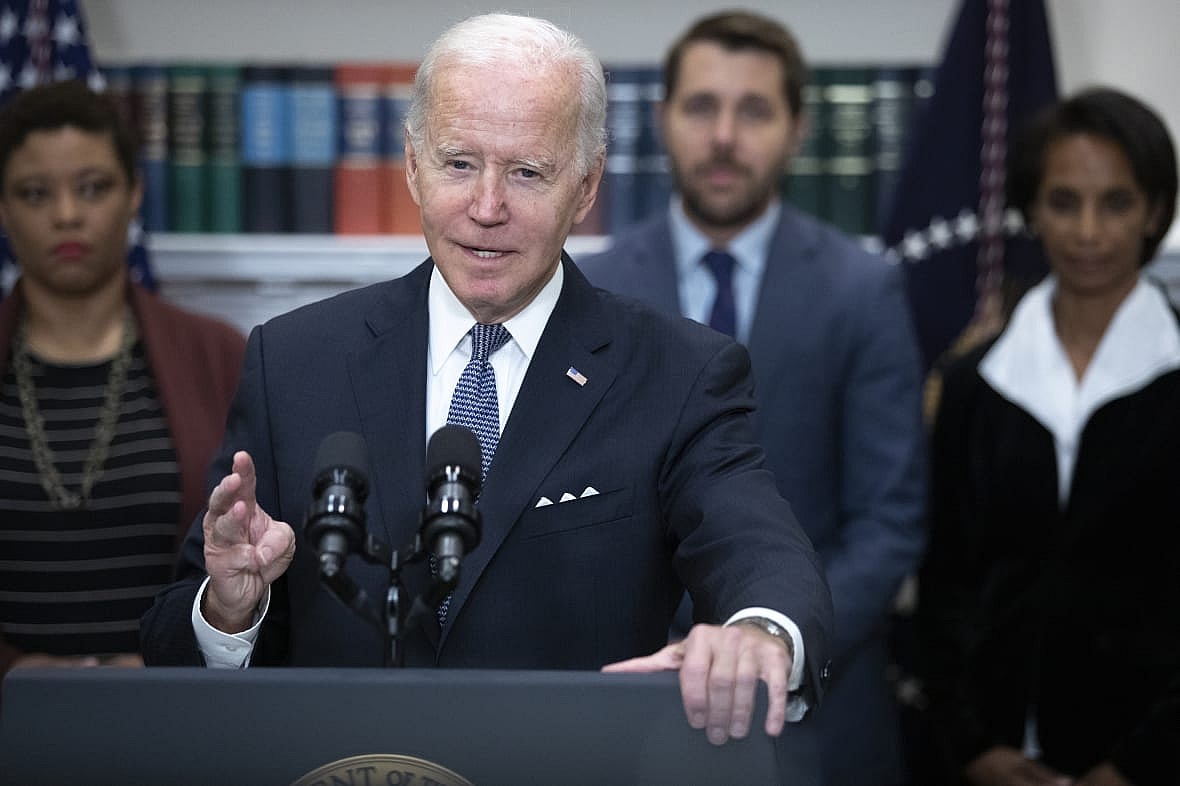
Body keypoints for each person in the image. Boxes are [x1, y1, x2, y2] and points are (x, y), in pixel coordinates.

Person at [140, 12, 834, 749]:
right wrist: (230, 608)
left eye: (528, 171)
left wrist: (761, 632)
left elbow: (762, 550)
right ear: (412, 165)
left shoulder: (679, 373)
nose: (487, 207)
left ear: (587, 184)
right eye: (459, 163)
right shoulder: (295, 360)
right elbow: (174, 638)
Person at [579, 11, 926, 786]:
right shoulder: (591, 290)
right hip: (625, 699)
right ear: (663, 118)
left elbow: (890, 524)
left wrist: (773, 640)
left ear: (797, 128)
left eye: (755, 110)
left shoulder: (863, 292)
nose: (725, 135)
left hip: (813, 715)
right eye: (702, 107)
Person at [916, 86, 1180, 786]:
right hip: (992, 759)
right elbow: (944, 583)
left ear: (1154, 210)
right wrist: (970, 744)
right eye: (1065, 202)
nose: (1088, 231)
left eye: (1116, 203)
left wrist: (1137, 763)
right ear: (1033, 210)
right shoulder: (976, 383)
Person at [0, 81, 245, 691]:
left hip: (173, 718)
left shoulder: (219, 356)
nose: (66, 214)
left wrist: (166, 664)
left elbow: (258, 555)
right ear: (3, 208)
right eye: (35, 193)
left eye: (92, 187)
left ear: (134, 193)